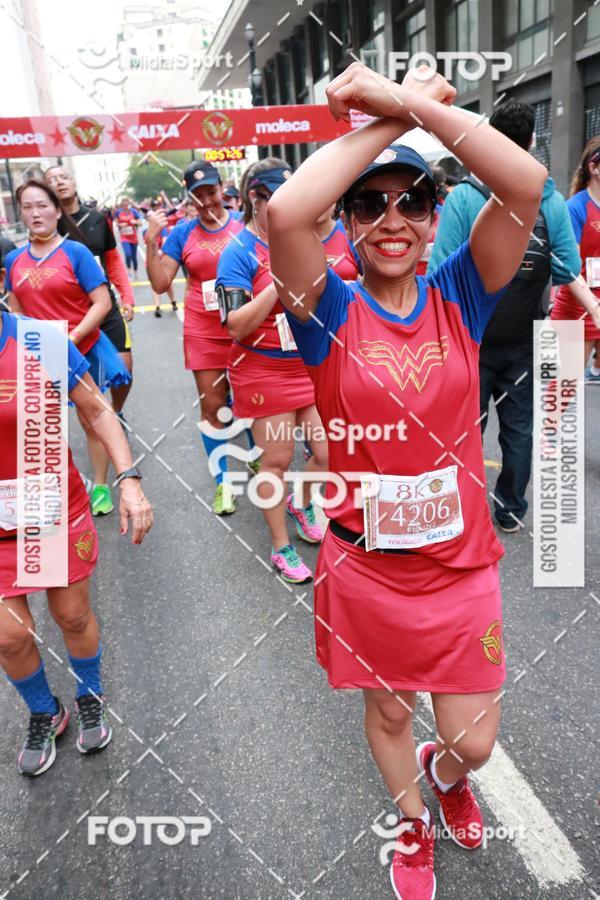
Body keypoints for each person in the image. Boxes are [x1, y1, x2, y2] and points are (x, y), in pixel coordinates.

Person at [268, 62, 547, 899]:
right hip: (369, 568)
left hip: (460, 565)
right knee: (390, 711)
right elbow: (285, 211)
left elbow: (527, 181)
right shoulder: (328, 310)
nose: (392, 219)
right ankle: (411, 825)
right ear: (347, 222)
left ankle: (447, 778)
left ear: (435, 222)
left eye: (413, 202)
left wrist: (402, 99)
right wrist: (394, 118)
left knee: (475, 742)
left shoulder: (461, 291)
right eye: (368, 203)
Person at [428, 100, 600, 532]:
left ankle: (463, 509)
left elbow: (440, 273)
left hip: (471, 335)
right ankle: (509, 509)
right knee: (520, 427)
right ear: (531, 141)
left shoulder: (465, 197)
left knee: (466, 426)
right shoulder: (550, 200)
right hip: (527, 333)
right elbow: (565, 267)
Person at [0, 308, 152, 776]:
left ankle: (89, 694)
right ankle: (45, 711)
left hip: (49, 513)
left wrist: (128, 480)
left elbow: (95, 409)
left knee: (71, 613)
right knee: (9, 636)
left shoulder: (38, 341)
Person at [216, 158, 329, 584]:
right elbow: (235, 325)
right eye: (276, 200)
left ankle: (302, 503)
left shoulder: (296, 239)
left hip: (305, 366)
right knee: (277, 460)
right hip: (262, 371)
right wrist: (275, 286)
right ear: (254, 198)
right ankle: (280, 547)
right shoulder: (238, 252)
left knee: (327, 452)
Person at [4, 181, 132, 517]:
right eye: (27, 207)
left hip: (82, 348)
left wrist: (71, 339)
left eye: (42, 205)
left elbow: (102, 303)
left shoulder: (76, 252)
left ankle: (102, 484)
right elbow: (15, 310)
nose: (35, 213)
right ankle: (50, 489)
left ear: (57, 211)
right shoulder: (13, 260)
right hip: (34, 356)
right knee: (37, 425)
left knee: (91, 420)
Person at [145, 160, 248, 515]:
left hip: (248, 328)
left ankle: (255, 455)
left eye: (212, 192)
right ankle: (223, 482)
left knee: (253, 400)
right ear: (189, 197)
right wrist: (149, 242)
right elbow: (160, 284)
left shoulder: (245, 225)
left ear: (223, 190)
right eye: (198, 195)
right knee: (212, 405)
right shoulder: (182, 233)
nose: (207, 201)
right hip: (204, 332)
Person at [44, 165, 136, 513]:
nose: (59, 183)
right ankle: (101, 480)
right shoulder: (49, 228)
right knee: (90, 403)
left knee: (125, 372)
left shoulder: (98, 219)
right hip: (73, 316)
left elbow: (113, 263)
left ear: (74, 182)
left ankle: (118, 410)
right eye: (52, 180)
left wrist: (126, 297)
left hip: (106, 309)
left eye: (63, 177)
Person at [550, 136, 600, 380]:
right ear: (594, 167)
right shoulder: (574, 208)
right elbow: (566, 268)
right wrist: (593, 306)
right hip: (575, 309)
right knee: (554, 400)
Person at [114, 197, 143, 276]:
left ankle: (135, 271)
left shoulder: (133, 212)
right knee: (128, 254)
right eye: (123, 205)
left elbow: (140, 223)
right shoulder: (118, 212)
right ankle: (129, 269)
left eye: (126, 204)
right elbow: (116, 223)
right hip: (124, 237)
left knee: (134, 256)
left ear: (128, 204)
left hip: (133, 237)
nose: (125, 206)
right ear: (122, 205)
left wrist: (135, 222)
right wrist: (120, 224)